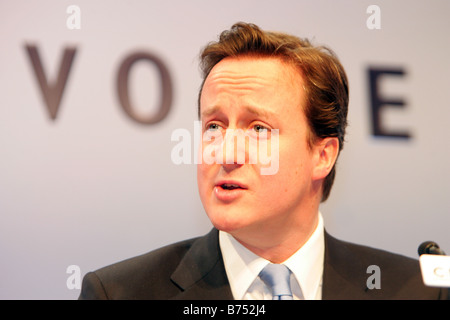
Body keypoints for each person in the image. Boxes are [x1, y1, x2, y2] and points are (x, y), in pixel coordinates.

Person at [78, 22, 446, 300]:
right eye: (214, 126)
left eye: (258, 129)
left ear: (322, 155)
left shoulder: (417, 290)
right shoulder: (120, 293)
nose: (225, 152)